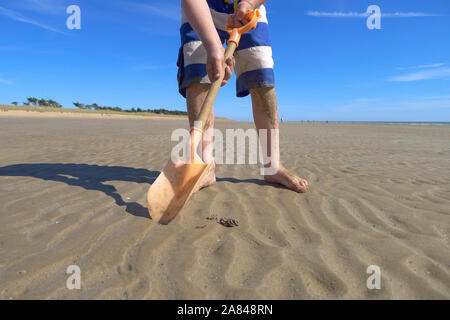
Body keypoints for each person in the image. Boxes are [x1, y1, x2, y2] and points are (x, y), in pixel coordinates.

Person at [179, 0, 308, 193]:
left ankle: (273, 166)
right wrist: (214, 48)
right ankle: (205, 166)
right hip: (202, 7)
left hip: (249, 11)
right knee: (197, 76)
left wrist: (248, 3)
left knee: (261, 76)